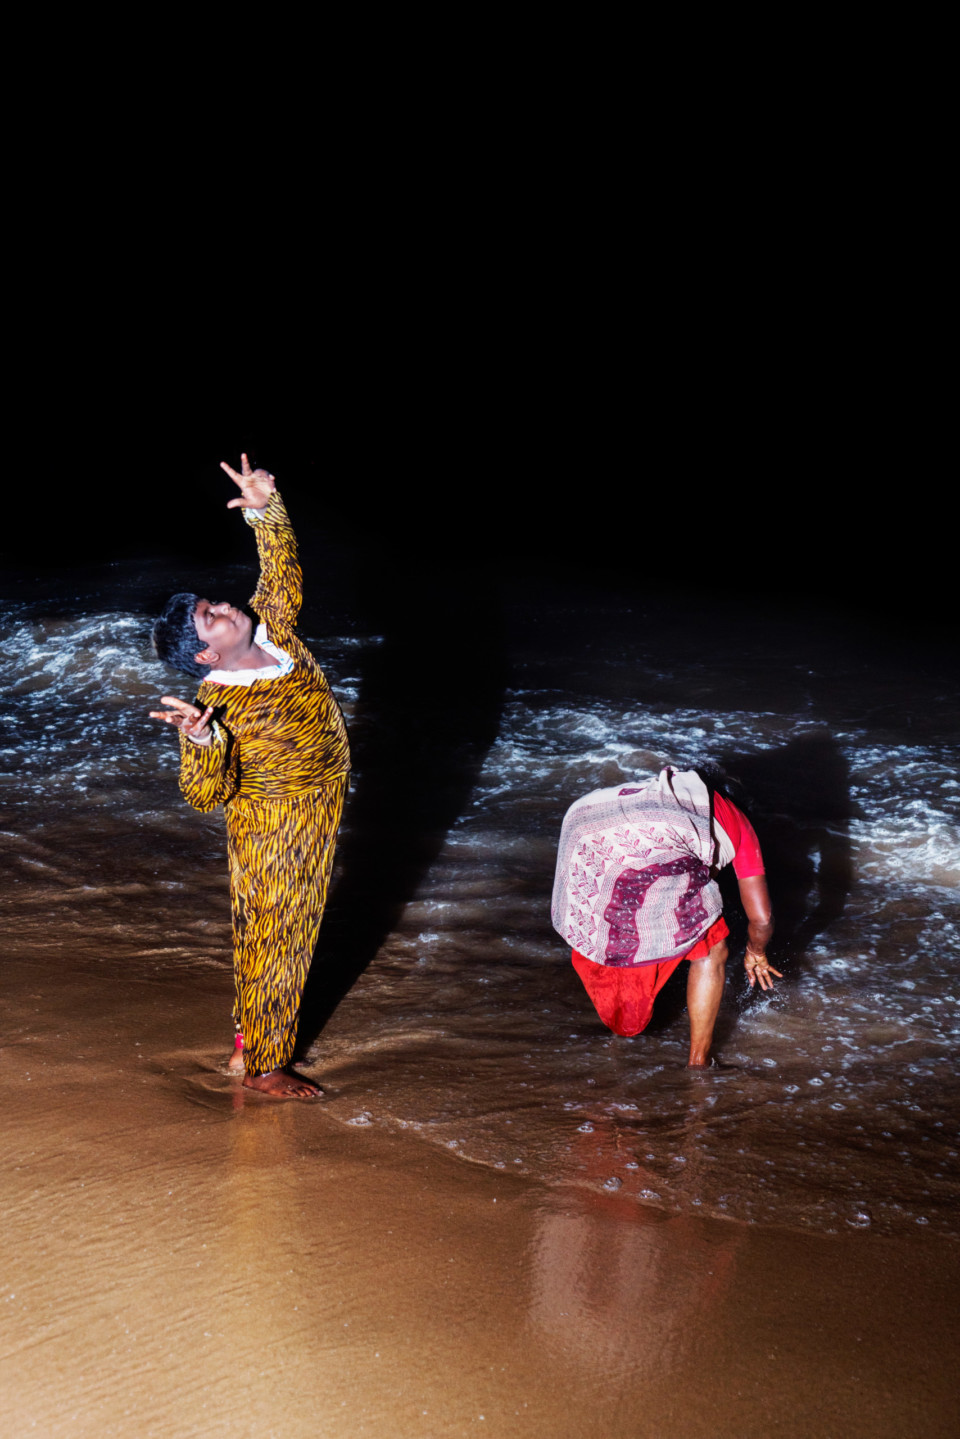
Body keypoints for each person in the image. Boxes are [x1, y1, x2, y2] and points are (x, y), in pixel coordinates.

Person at [150, 455, 350, 1099]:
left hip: (320, 801)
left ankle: (250, 1041)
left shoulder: (275, 628)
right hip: (273, 825)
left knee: (281, 931)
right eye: (212, 616)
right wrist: (201, 740)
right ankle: (265, 1067)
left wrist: (267, 511)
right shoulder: (217, 704)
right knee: (281, 936)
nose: (225, 606)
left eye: (212, 603)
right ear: (207, 654)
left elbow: (281, 568)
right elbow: (202, 794)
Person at [551, 766, 777, 1066]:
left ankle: (617, 1027)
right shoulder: (738, 822)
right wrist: (756, 951)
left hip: (582, 821)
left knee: (607, 917)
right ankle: (698, 1063)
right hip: (653, 831)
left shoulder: (673, 787)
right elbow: (762, 919)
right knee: (711, 946)